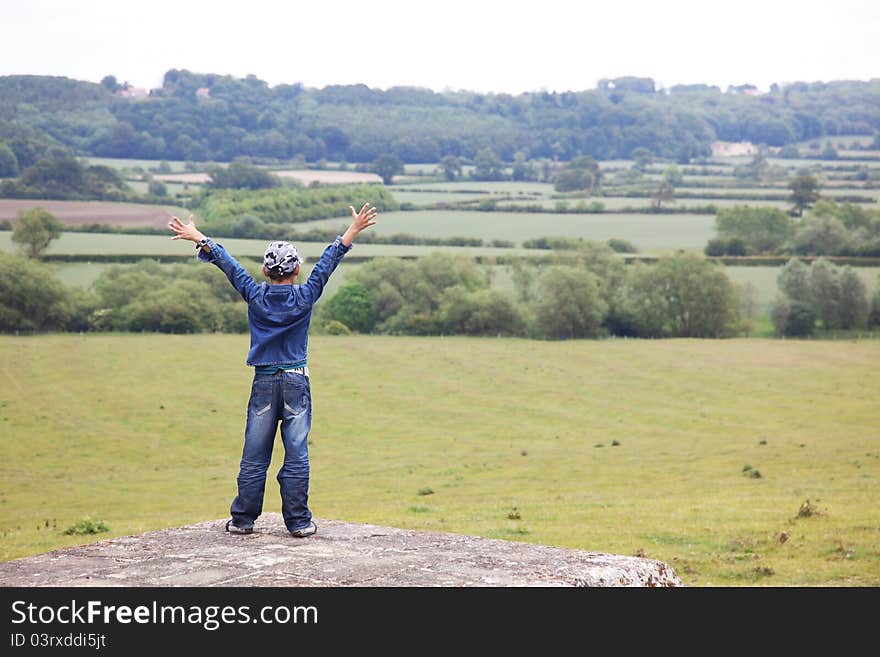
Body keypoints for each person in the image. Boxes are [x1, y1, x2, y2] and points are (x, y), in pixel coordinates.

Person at [167, 203, 377, 537]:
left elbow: (229, 265)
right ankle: (298, 522)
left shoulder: (255, 295)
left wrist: (200, 237)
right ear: (296, 272)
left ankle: (243, 520)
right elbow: (328, 263)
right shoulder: (305, 296)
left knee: (254, 455)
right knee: (296, 454)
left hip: (263, 381)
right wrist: (352, 231)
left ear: (266, 272)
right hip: (296, 381)